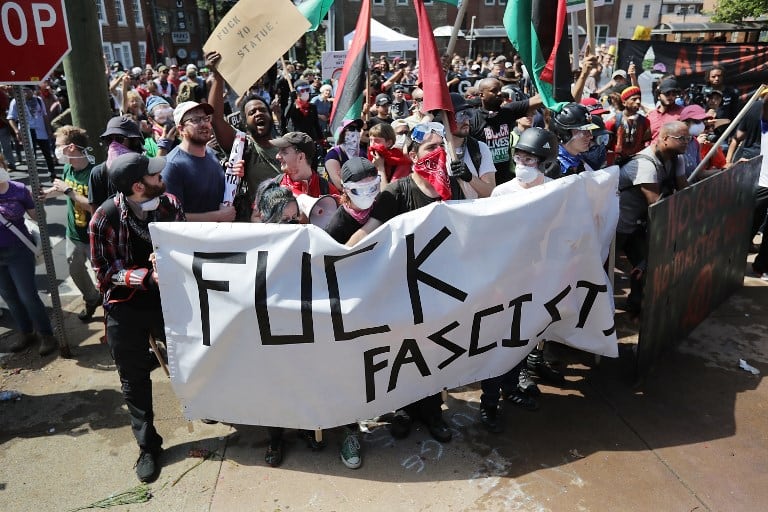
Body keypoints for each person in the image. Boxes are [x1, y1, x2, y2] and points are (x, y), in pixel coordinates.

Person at [346, 123, 454, 444]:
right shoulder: (396, 192)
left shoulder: (453, 187)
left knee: (435, 348)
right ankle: (403, 408)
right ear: (411, 154)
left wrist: (467, 182)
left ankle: (433, 410)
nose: (436, 154)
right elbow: (370, 232)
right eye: (428, 149)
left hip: (441, 287)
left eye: (440, 148)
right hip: (403, 288)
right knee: (405, 350)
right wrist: (338, 256)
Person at [89, 152, 185, 482]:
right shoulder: (104, 217)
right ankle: (148, 445)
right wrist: (145, 276)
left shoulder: (169, 204)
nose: (162, 179)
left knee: (187, 354)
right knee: (133, 379)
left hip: (168, 300)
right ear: (138, 187)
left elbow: (186, 245)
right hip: (125, 306)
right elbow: (104, 273)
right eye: (155, 176)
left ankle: (203, 403)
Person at [616, 121, 690, 314]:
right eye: (681, 138)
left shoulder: (676, 159)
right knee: (601, 269)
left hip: (638, 225)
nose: (686, 143)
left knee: (646, 267)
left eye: (688, 138)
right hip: (618, 225)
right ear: (665, 139)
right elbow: (656, 205)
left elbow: (685, 192)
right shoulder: (645, 165)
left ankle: (635, 306)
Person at [206, 51, 281, 220]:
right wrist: (218, 75)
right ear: (245, 122)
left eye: (262, 110)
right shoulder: (243, 146)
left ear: (270, 116)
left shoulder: (286, 145)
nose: (258, 114)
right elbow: (216, 119)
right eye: (252, 112)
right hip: (259, 221)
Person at [41, 126, 101, 322]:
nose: (55, 150)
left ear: (72, 147)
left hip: (94, 237)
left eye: (59, 146)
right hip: (73, 235)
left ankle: (110, 308)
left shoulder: (95, 173)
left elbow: (94, 207)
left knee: (102, 275)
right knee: (75, 271)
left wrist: (67, 191)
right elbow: (65, 188)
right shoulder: (68, 168)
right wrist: (50, 192)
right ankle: (92, 299)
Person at [0, 155, 58, 356]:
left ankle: (46, 334)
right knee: (8, 295)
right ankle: (26, 332)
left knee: (27, 295)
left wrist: (39, 202)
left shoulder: (18, 190)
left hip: (18, 250)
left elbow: (38, 217)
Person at [161, 101, 235, 222]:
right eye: (195, 120)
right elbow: (171, 217)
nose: (204, 124)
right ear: (181, 129)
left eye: (206, 119)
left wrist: (233, 173)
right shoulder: (172, 165)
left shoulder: (211, 154)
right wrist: (218, 216)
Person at [469, 77, 542, 185]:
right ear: (481, 95)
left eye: (500, 89)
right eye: (494, 90)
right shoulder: (473, 119)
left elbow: (538, 100)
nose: (499, 93)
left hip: (506, 180)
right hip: (484, 182)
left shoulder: (508, 111)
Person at [88, 116, 146, 209]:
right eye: (109, 139)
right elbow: (95, 212)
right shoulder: (98, 173)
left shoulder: (145, 170)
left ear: (134, 142)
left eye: (119, 139)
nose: (113, 144)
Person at [446, 93, 496, 199]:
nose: (465, 120)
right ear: (445, 119)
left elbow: (491, 192)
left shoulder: (480, 148)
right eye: (459, 116)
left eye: (468, 114)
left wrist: (470, 178)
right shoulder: (435, 150)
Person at [7, 86, 57, 180]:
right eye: (24, 91)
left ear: (32, 91)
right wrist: (16, 131)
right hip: (27, 131)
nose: (26, 93)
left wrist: (49, 129)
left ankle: (52, 173)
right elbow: (11, 117)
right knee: (31, 155)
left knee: (47, 153)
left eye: (28, 90)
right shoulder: (15, 101)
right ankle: (35, 177)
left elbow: (44, 115)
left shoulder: (38, 100)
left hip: (40, 131)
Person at [271, 131, 338, 199]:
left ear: (301, 157)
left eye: (284, 152)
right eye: (279, 151)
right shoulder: (273, 186)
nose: (277, 156)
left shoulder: (328, 191)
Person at [605, 86, 652, 165]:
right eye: (634, 99)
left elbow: (646, 143)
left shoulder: (645, 122)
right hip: (616, 163)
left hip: (638, 162)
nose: (638, 102)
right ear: (624, 102)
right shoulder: (612, 122)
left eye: (639, 99)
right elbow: (606, 144)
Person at [551, 103, 598, 175]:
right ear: (566, 134)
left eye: (589, 131)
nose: (591, 136)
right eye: (584, 131)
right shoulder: (551, 166)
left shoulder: (580, 161)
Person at [367, 122, 411, 190]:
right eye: (370, 140)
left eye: (377, 141)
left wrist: (380, 168)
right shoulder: (370, 158)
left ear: (389, 143)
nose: (372, 145)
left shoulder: (401, 162)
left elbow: (388, 193)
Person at [325, 120, 364, 190]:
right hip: (338, 197)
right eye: (351, 128)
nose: (355, 132)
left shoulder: (362, 153)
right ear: (342, 132)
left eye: (358, 129)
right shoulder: (333, 155)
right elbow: (339, 185)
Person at [647, 77, 683, 143]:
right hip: (652, 151)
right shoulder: (651, 115)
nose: (670, 96)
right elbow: (646, 140)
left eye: (674, 94)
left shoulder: (683, 113)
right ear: (658, 95)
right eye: (667, 93)